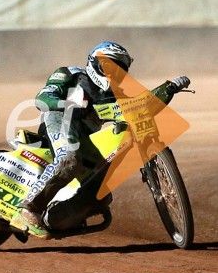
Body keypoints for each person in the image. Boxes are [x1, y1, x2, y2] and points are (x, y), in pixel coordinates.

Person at [11, 42, 190, 238]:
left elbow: (142, 106)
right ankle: (27, 208)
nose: (113, 73)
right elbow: (42, 99)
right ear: (94, 63)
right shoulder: (70, 74)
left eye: (119, 69)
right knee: (69, 159)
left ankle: (54, 219)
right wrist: (69, 104)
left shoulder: (116, 94)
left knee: (99, 193)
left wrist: (169, 88)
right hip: (60, 120)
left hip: (87, 139)